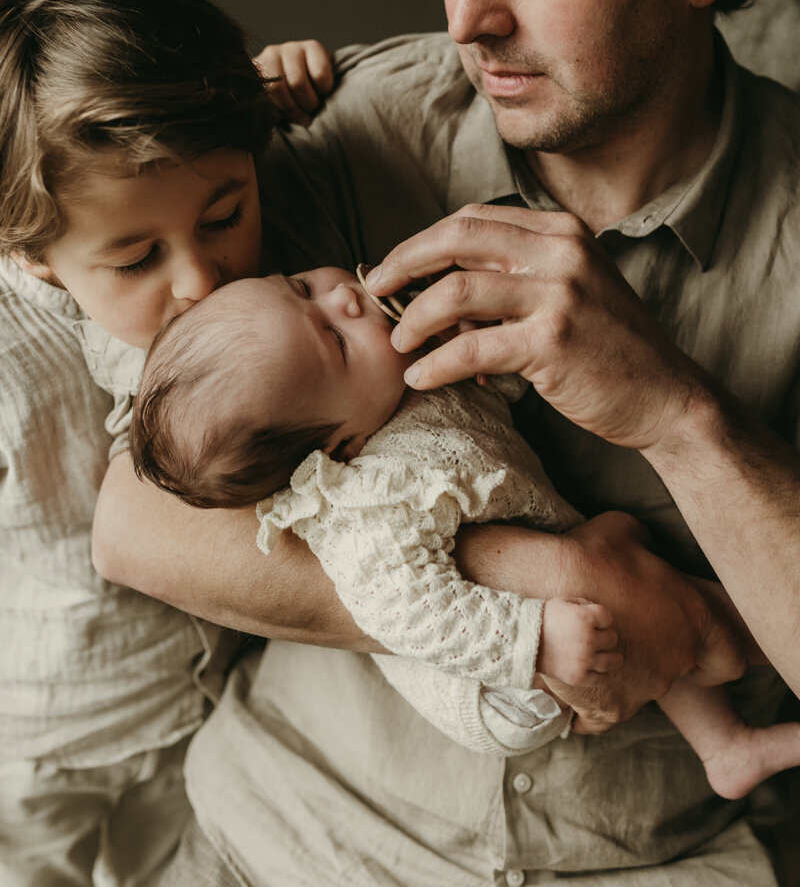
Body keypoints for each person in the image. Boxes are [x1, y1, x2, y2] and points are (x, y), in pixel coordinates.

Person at [90, 0, 800, 882]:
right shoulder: (353, 131)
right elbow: (136, 516)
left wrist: (678, 418)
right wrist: (542, 583)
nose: (469, 14)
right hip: (284, 835)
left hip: (647, 863)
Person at [130, 265, 799, 801]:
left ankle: (725, 747)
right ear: (341, 446)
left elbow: (491, 401)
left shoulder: (393, 384)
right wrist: (532, 645)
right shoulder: (371, 502)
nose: (343, 297)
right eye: (335, 339)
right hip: (490, 685)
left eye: (301, 286)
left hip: (529, 602)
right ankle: (723, 670)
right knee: (619, 557)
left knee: (621, 547)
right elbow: (407, 612)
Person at [0, 0, 278, 886]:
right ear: (32, 255)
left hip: (195, 714)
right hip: (39, 738)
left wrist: (299, 80)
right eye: (134, 260)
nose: (199, 284)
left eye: (225, 215)